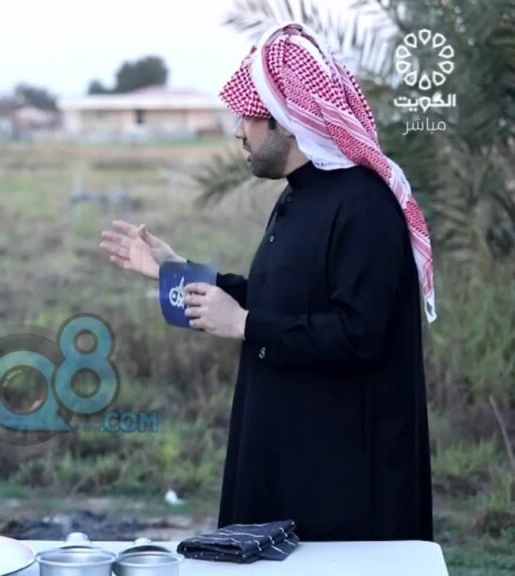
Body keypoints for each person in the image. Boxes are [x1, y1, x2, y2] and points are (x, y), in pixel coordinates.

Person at [101, 22, 435, 541]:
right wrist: (175, 271)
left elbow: (359, 333)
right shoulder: (301, 195)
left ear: (286, 119)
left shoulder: (363, 206)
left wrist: (245, 324)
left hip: (344, 478)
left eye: (248, 116)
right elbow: (277, 299)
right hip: (293, 453)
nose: (239, 131)